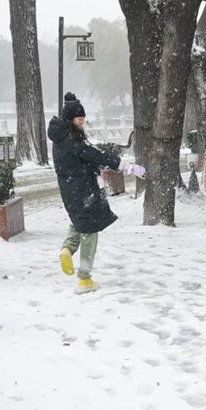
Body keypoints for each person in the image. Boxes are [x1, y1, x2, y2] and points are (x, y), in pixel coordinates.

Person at [47, 92, 145, 294]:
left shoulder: (62, 138)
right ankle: (84, 278)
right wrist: (125, 165)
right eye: (78, 119)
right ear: (70, 119)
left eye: (83, 119)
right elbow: (94, 155)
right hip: (82, 189)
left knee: (79, 221)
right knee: (90, 230)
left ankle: (67, 250)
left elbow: (88, 155)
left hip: (71, 190)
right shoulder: (71, 141)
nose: (81, 123)